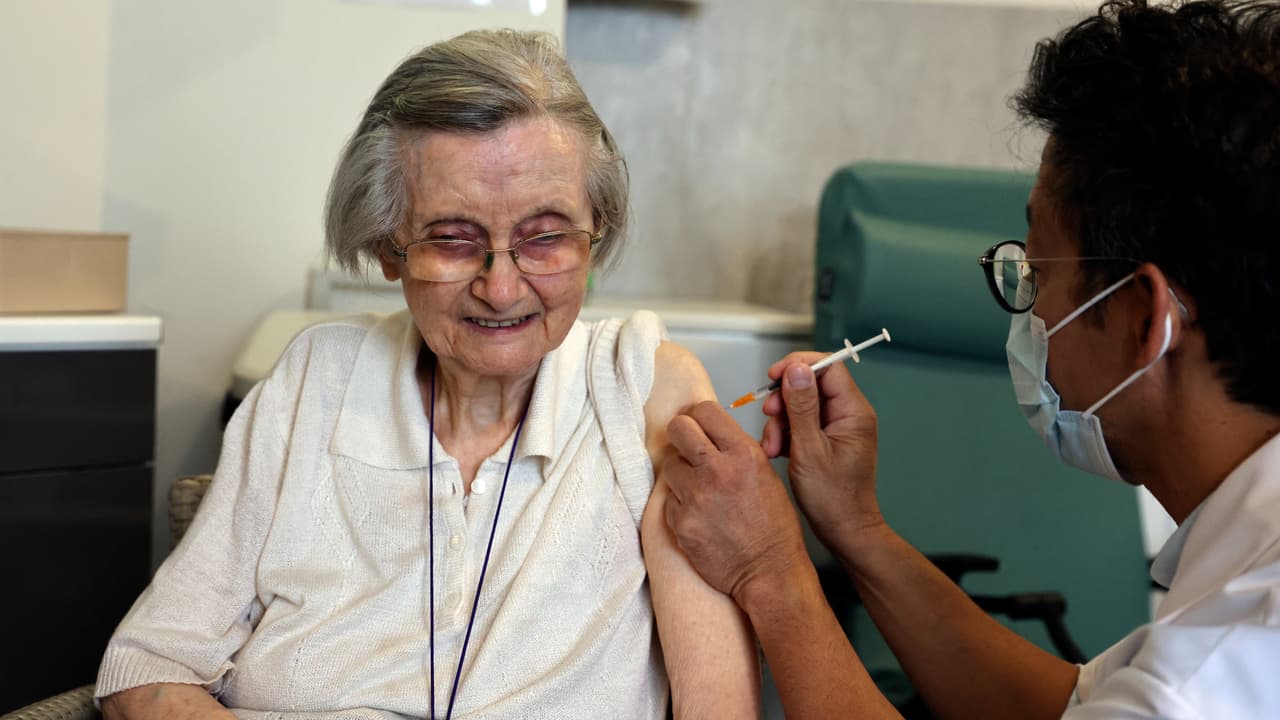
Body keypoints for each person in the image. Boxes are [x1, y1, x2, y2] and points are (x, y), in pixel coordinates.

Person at [95, 30, 758, 720]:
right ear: (387, 248)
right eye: (451, 238)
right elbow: (148, 667)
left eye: (546, 237)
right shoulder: (315, 384)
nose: (502, 290)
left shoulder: (646, 390)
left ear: (598, 232)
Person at [661, 1, 1280, 718]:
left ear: (1146, 318)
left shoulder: (1215, 675)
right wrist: (856, 529)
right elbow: (1067, 706)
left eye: (1038, 273)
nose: (1029, 308)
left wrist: (768, 569)